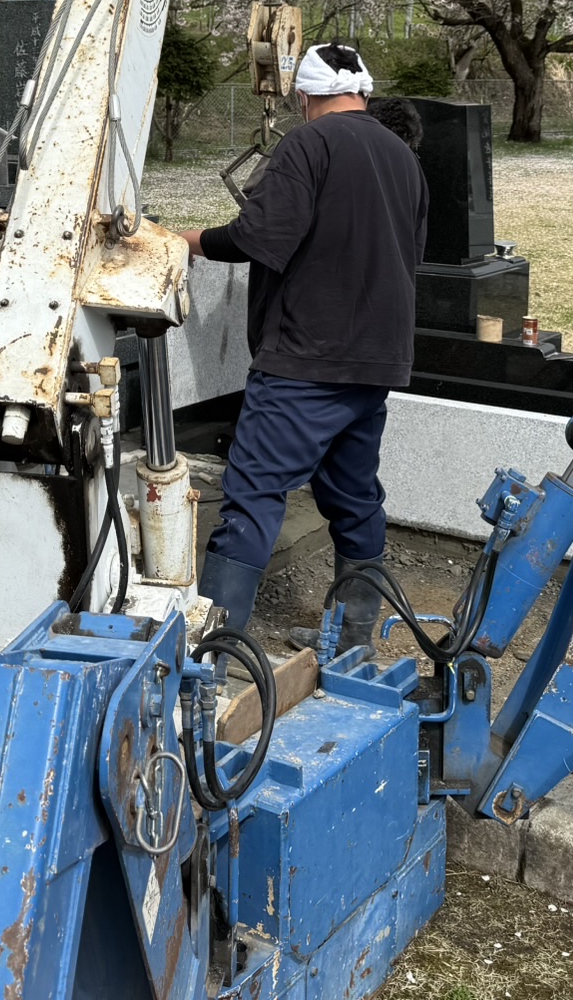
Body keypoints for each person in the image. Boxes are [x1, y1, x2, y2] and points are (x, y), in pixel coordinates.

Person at [179, 41, 429, 651]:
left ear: (303, 96)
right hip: (377, 358)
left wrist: (185, 239)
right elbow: (411, 252)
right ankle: (353, 644)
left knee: (253, 496)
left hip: (306, 358)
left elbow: (256, 236)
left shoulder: (307, 143)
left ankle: (212, 658)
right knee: (355, 497)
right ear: (363, 91)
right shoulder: (403, 156)